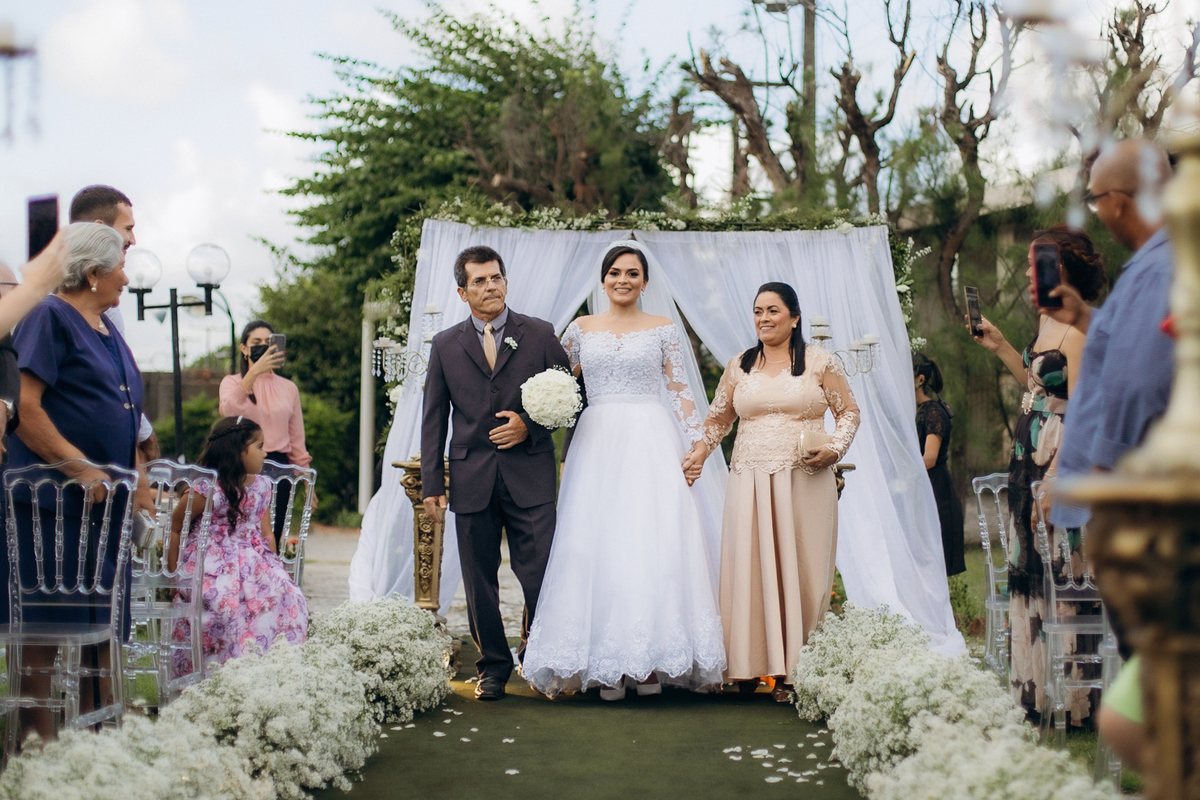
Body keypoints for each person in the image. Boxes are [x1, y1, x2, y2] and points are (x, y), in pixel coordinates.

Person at [521, 244, 726, 700]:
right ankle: (604, 664)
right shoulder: (579, 330)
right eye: (614, 272)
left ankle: (650, 664)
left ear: (646, 282)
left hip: (650, 438)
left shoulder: (664, 330)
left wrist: (698, 445)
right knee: (593, 542)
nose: (623, 280)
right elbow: (555, 380)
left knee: (651, 541)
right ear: (603, 279)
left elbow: (679, 390)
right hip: (595, 444)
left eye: (632, 273)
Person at [7, 222, 153, 740]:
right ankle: (37, 749)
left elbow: (127, 412)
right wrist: (80, 467)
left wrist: (136, 474)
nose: (127, 278)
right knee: (43, 633)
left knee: (104, 627)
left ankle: (101, 736)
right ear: (93, 274)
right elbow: (23, 407)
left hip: (103, 514)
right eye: (119, 267)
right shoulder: (49, 317)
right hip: (51, 512)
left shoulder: (108, 329)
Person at [968, 224, 1106, 721]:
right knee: (1029, 572)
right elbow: (1036, 389)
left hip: (1059, 459)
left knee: (1062, 570)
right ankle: (1031, 694)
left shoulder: (1080, 332)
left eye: (1036, 264)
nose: (1029, 272)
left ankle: (1077, 703)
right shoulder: (1046, 324)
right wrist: (1004, 345)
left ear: (1062, 268)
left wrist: (1059, 475)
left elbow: (1087, 409)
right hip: (1027, 457)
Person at [421, 245, 571, 701]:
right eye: (480, 281)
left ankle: (538, 654)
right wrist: (432, 482)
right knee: (478, 578)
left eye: (496, 278)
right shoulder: (446, 345)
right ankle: (493, 668)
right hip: (471, 478)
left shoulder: (540, 333)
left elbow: (569, 394)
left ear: (506, 281)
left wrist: (530, 424)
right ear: (462, 291)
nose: (491, 287)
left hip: (531, 475)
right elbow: (433, 418)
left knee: (540, 572)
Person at [699, 283, 860, 702]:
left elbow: (849, 413)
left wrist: (834, 449)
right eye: (757, 311)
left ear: (794, 317)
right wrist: (698, 454)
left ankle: (796, 670)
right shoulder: (740, 365)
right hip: (749, 477)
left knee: (803, 565)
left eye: (773, 310)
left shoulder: (821, 362)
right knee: (749, 563)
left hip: (803, 476)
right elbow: (718, 420)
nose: (764, 318)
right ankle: (749, 667)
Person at [1048, 140, 1175, 535]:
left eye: (1095, 199)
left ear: (1117, 201)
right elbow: (1139, 345)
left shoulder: (1156, 272)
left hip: (1133, 495)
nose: (1098, 211)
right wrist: (1086, 316)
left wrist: (1100, 475)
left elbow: (1139, 384)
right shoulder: (1154, 264)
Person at [168, 416, 308, 674]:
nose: (266, 453)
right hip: (211, 561)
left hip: (253, 560)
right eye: (260, 446)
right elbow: (176, 526)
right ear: (237, 450)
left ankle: (271, 671)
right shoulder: (208, 489)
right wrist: (172, 575)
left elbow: (266, 533)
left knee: (287, 595)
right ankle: (223, 673)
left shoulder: (262, 487)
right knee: (226, 601)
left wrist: (275, 568)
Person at [68, 185, 160, 462]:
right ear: (100, 228)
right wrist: (81, 469)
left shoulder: (109, 313)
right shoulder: (49, 311)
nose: (133, 239)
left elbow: (119, 390)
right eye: (128, 228)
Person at [219, 320, 313, 548]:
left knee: (273, 531)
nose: (263, 346)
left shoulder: (288, 388)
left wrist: (308, 479)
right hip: (241, 464)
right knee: (240, 530)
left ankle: (269, 579)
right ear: (244, 348)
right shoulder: (232, 382)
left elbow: (296, 438)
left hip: (278, 467)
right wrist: (254, 372)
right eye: (256, 342)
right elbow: (228, 410)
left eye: (268, 342)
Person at [913, 354, 965, 576]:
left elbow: (930, 458)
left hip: (936, 493)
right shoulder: (914, 411)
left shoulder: (933, 412)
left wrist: (902, 474)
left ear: (920, 379)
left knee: (934, 567)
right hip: (921, 491)